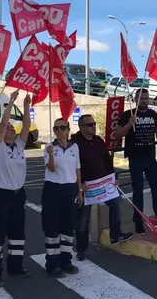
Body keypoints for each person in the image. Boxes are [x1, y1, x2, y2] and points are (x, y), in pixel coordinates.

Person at [115, 88, 157, 234]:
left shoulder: (152, 114)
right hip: (135, 158)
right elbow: (117, 134)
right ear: (135, 99)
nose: (144, 101)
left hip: (150, 158)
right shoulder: (127, 115)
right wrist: (129, 124)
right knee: (138, 191)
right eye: (141, 98)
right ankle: (138, 222)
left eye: (146, 98)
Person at [71, 114, 133, 260]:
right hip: (86, 187)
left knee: (116, 204)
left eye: (94, 124)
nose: (94, 126)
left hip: (104, 183)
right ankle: (81, 249)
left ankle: (115, 235)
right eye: (90, 125)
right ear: (81, 127)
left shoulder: (98, 140)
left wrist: (114, 177)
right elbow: (72, 166)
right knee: (83, 220)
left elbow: (107, 160)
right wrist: (79, 185)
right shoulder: (74, 144)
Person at [0, 91, 32, 288]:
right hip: (2, 195)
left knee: (17, 234)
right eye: (9, 128)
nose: (12, 130)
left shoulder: (19, 145)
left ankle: (15, 266)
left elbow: (27, 126)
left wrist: (26, 106)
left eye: (13, 128)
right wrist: (10, 103)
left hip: (18, 195)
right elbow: (3, 124)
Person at [42, 118, 81, 278]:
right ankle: (52, 263)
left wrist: (79, 189)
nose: (59, 131)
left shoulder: (75, 147)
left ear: (68, 130)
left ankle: (66, 260)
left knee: (68, 224)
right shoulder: (49, 147)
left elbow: (77, 168)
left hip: (70, 188)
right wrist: (50, 155)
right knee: (52, 225)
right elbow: (51, 169)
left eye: (62, 128)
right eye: (56, 128)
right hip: (53, 188)